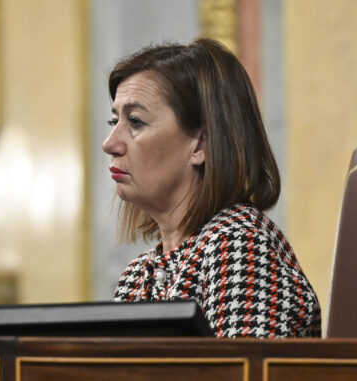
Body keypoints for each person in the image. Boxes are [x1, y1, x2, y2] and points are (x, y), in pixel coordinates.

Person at [102, 38, 321, 338]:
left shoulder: (240, 245)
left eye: (136, 122)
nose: (109, 143)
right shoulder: (137, 276)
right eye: (113, 121)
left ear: (201, 145)